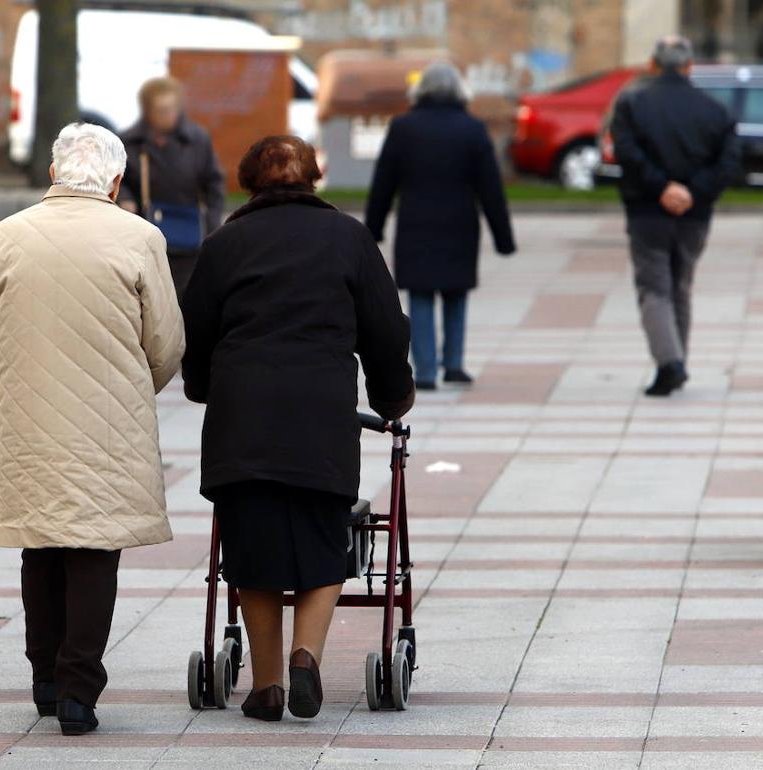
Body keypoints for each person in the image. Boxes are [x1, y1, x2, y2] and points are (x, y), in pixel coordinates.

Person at [181, 136, 415, 722]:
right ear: (315, 177)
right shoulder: (349, 238)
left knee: (250, 546)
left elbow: (196, 332)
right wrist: (392, 397)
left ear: (247, 182)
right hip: (320, 415)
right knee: (322, 539)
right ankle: (306, 656)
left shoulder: (224, 244)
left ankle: (265, 685)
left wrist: (202, 385)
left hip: (243, 417)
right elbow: (386, 329)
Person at [0, 122, 185, 735]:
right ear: (117, 181)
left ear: (52, 174)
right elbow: (168, 342)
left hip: (30, 419)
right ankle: (77, 692)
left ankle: (44, 676)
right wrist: (127, 390)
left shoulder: (10, 234)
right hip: (109, 425)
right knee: (95, 550)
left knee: (41, 546)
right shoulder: (140, 237)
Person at [365, 61, 516, 391]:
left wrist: (372, 228)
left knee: (420, 295)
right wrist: (503, 237)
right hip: (459, 224)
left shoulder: (403, 128)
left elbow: (384, 182)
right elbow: (491, 188)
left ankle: (426, 371)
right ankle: (454, 364)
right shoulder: (472, 128)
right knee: (456, 293)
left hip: (416, 224)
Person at [609, 36, 740, 396]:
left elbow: (626, 152)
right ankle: (677, 360)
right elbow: (728, 163)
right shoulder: (715, 109)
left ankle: (670, 364)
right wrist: (693, 192)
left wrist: (661, 187)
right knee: (680, 287)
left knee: (654, 288)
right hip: (693, 216)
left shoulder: (632, 104)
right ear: (689, 67)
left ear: (652, 65)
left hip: (647, 210)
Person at [118, 76, 226, 296]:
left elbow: (214, 183)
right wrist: (124, 199)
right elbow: (118, 179)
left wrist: (212, 225)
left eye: (172, 109)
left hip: (188, 231)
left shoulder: (196, 139)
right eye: (161, 110)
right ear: (147, 111)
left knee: (185, 295)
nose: (168, 115)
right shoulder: (130, 141)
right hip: (145, 231)